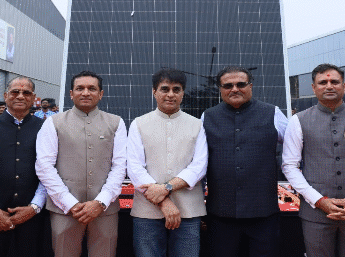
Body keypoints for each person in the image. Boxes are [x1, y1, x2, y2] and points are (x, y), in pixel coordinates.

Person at [282, 64, 345, 257]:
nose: (329, 86)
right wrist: (319, 200)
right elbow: (289, 165)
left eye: (334, 82)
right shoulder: (299, 120)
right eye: (323, 82)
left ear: (344, 86)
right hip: (315, 212)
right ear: (314, 88)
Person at [36, 71, 127, 257]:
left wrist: (101, 202)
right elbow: (44, 166)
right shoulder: (54, 122)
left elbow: (120, 165)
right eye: (80, 88)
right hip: (64, 209)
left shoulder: (116, 123)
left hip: (105, 208)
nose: (86, 93)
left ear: (100, 94)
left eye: (92, 88)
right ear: (71, 93)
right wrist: (69, 203)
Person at [201, 66, 288, 256]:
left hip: (264, 215)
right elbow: (198, 164)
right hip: (220, 216)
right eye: (228, 85)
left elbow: (295, 150)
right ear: (220, 89)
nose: (234, 89)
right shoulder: (207, 117)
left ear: (250, 86)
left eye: (240, 84)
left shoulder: (272, 113)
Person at [127, 68, 207, 257]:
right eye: (165, 89)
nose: (170, 94)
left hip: (188, 210)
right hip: (147, 211)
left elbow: (199, 166)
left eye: (176, 89)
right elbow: (134, 167)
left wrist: (165, 188)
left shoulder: (197, 125)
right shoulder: (138, 124)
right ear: (154, 91)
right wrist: (164, 201)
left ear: (183, 93)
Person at [0, 76, 47, 256]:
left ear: (33, 98)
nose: (20, 96)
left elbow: (49, 171)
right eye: (15, 92)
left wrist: (34, 207)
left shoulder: (45, 128)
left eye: (26, 93)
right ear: (6, 96)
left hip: (33, 217)